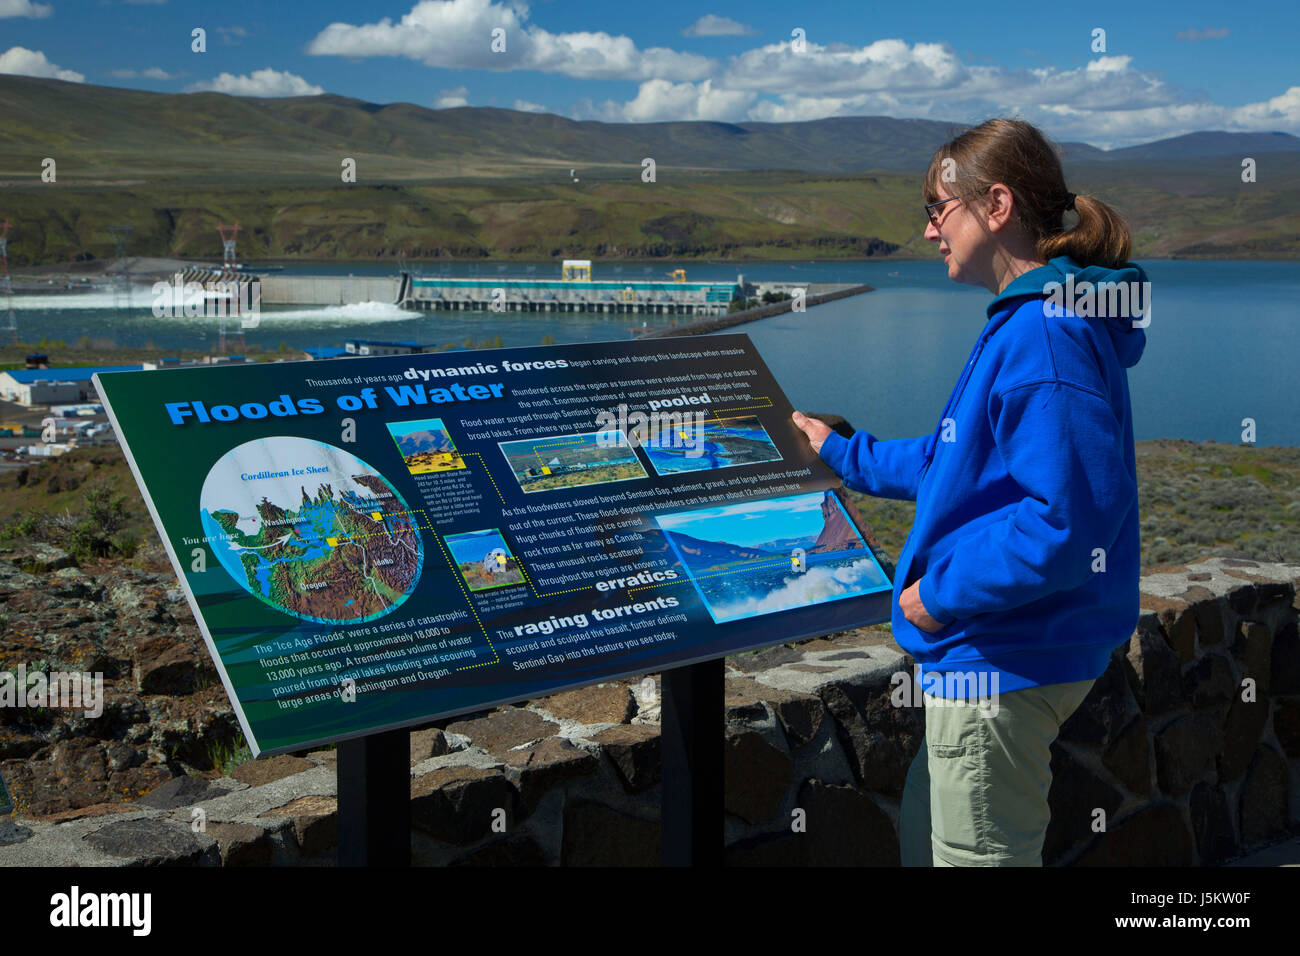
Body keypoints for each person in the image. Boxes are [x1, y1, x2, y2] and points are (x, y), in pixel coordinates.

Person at [792, 118, 1147, 866]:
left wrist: (937, 593)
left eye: (935, 209)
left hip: (999, 657)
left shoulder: (1043, 332)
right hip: (1010, 653)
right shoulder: (1042, 319)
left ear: (996, 206)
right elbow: (956, 461)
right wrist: (841, 452)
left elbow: (1069, 520)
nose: (927, 232)